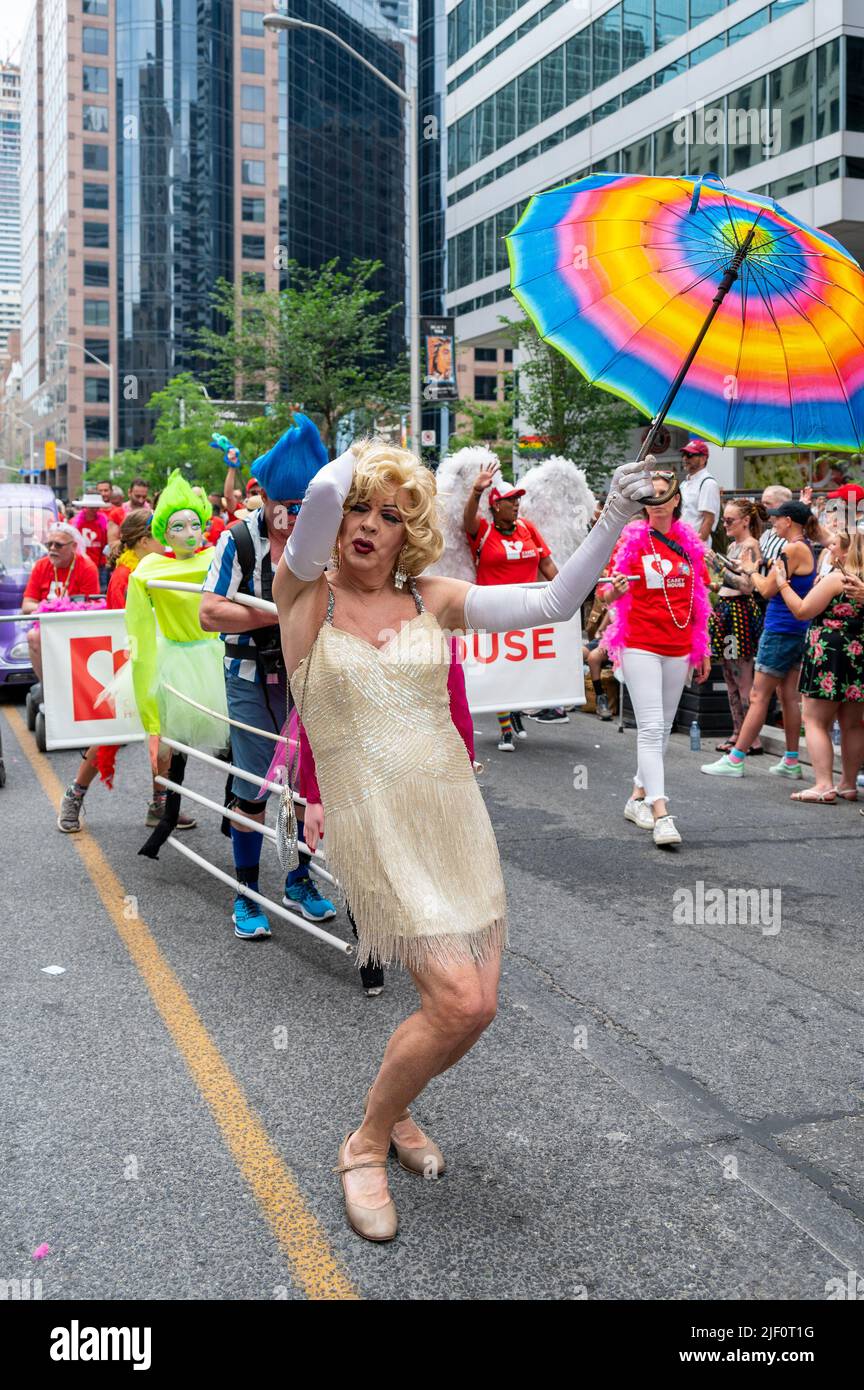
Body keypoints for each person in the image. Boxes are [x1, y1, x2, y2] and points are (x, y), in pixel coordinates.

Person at [272, 440, 654, 1242]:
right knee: (462, 999)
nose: (370, 526)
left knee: (474, 1013)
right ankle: (366, 1141)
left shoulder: (432, 597)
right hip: (374, 828)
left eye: (392, 513)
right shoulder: (303, 595)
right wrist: (365, 463)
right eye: (360, 510)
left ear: (411, 532)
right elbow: (314, 499)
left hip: (455, 820)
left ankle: (396, 1106)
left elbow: (551, 604)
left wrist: (615, 515)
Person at [200, 415, 337, 941]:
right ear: (266, 497)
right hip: (250, 674)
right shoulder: (238, 539)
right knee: (255, 784)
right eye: (286, 507)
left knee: (308, 785)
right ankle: (247, 891)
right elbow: (209, 614)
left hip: (308, 676)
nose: (293, 518)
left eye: (305, 509)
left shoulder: (325, 539)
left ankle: (299, 881)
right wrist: (281, 613)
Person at [56, 511, 196, 833]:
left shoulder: (160, 566)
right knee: (111, 737)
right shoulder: (124, 576)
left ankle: (159, 805)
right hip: (128, 664)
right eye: (162, 533)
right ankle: (73, 796)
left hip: (161, 660)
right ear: (145, 541)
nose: (168, 539)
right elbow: (124, 626)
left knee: (163, 736)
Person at [599, 471, 711, 847]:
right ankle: (661, 812)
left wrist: (704, 647)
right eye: (652, 495)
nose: (658, 501)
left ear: (677, 499)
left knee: (663, 728)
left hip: (680, 646)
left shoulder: (691, 546)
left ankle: (636, 798)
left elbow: (699, 601)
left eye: (664, 495)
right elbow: (604, 594)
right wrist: (611, 593)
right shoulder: (632, 541)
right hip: (639, 643)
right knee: (650, 728)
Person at [701, 499, 818, 778]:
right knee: (787, 696)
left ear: (788, 521)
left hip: (779, 629)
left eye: (777, 519)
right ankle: (791, 761)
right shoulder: (806, 548)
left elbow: (765, 590)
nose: (773, 523)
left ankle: (736, 757)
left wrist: (752, 570)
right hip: (795, 630)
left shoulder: (791, 549)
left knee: (757, 694)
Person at [462, 461, 560, 749]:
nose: (517, 504)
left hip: (529, 607)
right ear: (495, 506)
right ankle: (506, 726)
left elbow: (547, 563)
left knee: (524, 666)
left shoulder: (528, 528)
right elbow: (467, 520)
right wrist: (476, 492)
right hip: (492, 610)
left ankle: (516, 712)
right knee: (500, 666)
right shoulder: (483, 531)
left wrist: (567, 592)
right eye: (510, 501)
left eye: (518, 500)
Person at [770, 534, 864, 803]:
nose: (828, 548)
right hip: (858, 653)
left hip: (829, 654)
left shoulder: (838, 578)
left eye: (834, 544)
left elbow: (802, 610)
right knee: (853, 724)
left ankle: (824, 784)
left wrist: (781, 583)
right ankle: (847, 783)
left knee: (815, 720)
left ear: (848, 551)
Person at [709, 498, 765, 755]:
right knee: (730, 677)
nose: (725, 524)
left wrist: (718, 565)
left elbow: (747, 586)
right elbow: (725, 582)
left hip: (739, 613)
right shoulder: (733, 545)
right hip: (726, 610)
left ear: (745, 520)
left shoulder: (750, 545)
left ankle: (750, 738)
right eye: (724, 520)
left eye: (729, 520)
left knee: (742, 678)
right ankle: (737, 732)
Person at [22, 523, 101, 683]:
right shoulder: (41, 566)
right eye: (49, 544)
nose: (52, 549)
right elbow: (27, 605)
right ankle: (48, 686)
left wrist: (65, 610)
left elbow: (91, 607)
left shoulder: (87, 567)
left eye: (58, 545)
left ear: (73, 546)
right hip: (46, 625)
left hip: (76, 625)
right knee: (32, 637)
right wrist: (50, 609)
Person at [678, 439, 721, 543]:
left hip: (695, 548)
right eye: (683, 454)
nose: (685, 458)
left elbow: (709, 520)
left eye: (689, 455)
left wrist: (696, 547)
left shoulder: (708, 483)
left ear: (703, 459)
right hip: (681, 544)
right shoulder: (684, 484)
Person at [72, 494, 110, 587]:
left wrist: (104, 561)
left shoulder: (103, 523)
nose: (94, 510)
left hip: (99, 565)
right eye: (91, 507)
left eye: (97, 507)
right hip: (80, 564)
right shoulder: (75, 523)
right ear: (85, 507)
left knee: (100, 589)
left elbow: (106, 543)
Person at [107, 478, 151, 546]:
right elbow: (112, 543)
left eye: (144, 497)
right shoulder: (116, 513)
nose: (141, 500)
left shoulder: (152, 513)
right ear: (129, 492)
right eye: (137, 496)